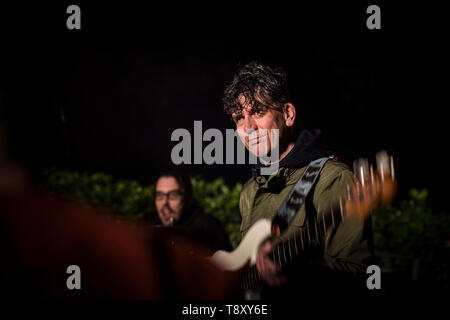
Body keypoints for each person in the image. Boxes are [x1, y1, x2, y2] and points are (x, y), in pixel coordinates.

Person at [222, 61, 374, 301]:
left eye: (259, 111)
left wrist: (301, 274)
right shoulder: (249, 190)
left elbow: (359, 275)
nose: (248, 127)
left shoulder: (332, 177)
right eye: (239, 118)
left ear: (288, 114)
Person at [153, 172, 232, 253]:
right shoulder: (149, 223)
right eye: (159, 195)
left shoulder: (207, 228)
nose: (165, 203)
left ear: (188, 198)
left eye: (173, 195)